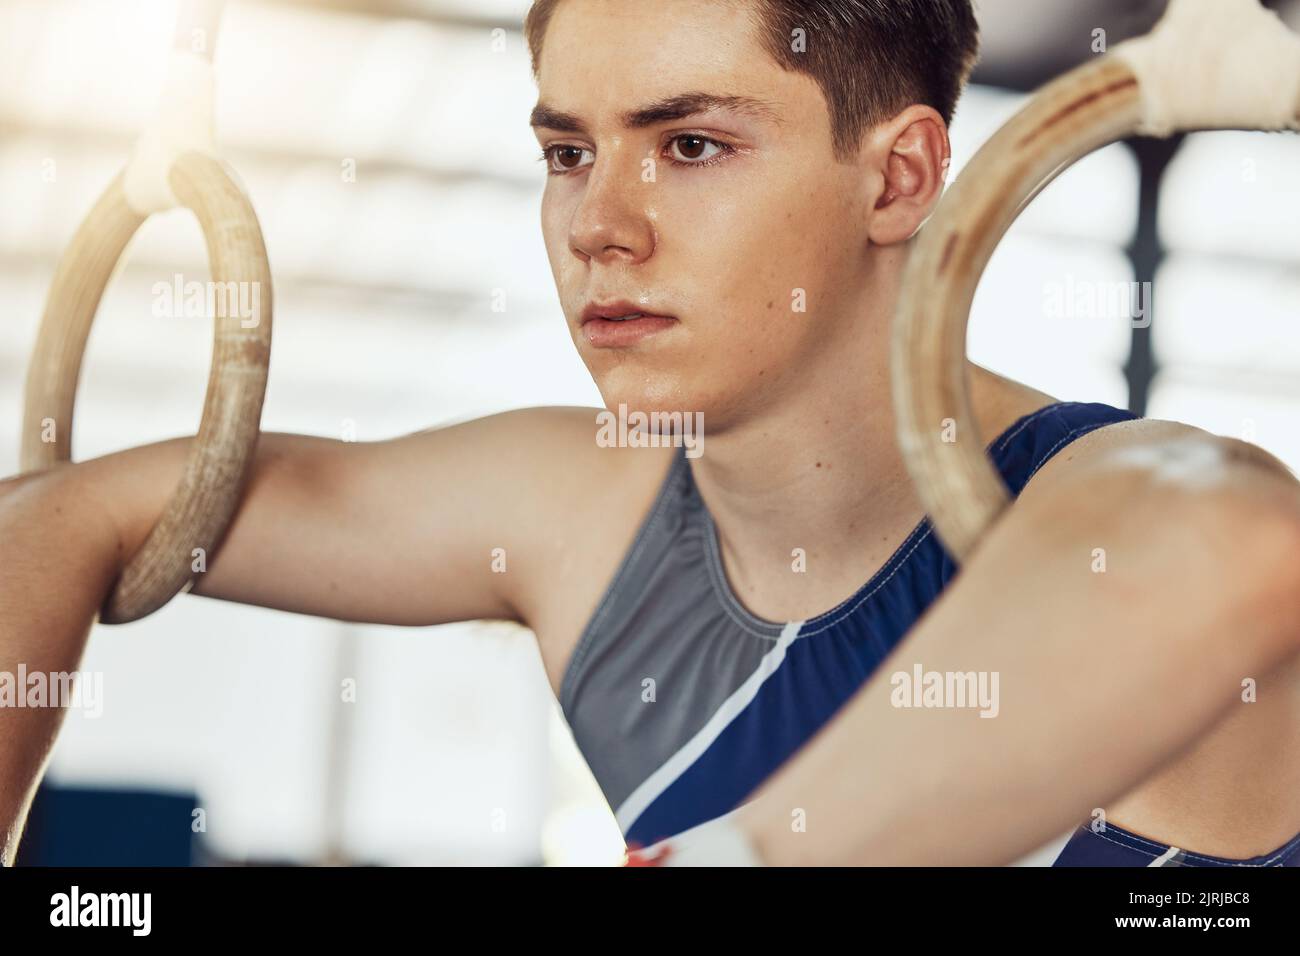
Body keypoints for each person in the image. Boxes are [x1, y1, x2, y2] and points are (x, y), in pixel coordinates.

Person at [3, 0, 1300, 867]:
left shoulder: (1091, 507)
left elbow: (1229, 543)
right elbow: (58, 518)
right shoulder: (577, 511)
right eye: (568, 154)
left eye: (688, 143)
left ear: (899, 178)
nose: (596, 227)